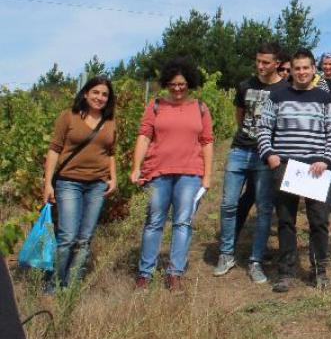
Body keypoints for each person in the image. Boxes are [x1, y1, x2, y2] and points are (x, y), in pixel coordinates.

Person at [257, 48, 331, 292]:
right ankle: (286, 272)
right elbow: (264, 128)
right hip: (286, 167)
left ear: (313, 70)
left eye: (306, 67)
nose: (302, 72)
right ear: (290, 71)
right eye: (297, 68)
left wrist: (326, 160)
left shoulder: (325, 99)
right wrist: (270, 156)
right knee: (285, 222)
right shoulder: (277, 96)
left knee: (319, 221)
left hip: (316, 168)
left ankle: (320, 271)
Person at [131, 58, 213, 291]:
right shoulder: (155, 105)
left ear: (190, 84)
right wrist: (137, 167)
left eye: (182, 84)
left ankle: (175, 272)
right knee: (154, 222)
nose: (178, 89)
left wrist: (207, 176)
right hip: (158, 172)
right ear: (167, 83)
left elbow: (207, 142)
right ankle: (145, 273)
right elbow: (144, 136)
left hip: (190, 173)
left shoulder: (200, 108)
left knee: (182, 223)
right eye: (173, 84)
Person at [214, 42, 286, 284]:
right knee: (228, 203)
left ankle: (256, 260)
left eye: (266, 62)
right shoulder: (245, 85)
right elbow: (240, 115)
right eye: (258, 61)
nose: (260, 66)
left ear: (277, 63)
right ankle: (226, 254)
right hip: (239, 151)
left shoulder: (285, 88)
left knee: (264, 208)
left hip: (266, 155)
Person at [42, 76, 117, 292]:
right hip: (69, 182)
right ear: (85, 93)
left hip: (97, 185)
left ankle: (71, 285)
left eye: (104, 94)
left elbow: (111, 152)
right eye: (96, 92)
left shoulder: (110, 121)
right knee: (67, 236)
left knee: (85, 239)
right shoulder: (69, 116)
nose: (100, 97)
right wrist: (48, 183)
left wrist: (114, 178)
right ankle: (53, 284)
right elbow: (54, 149)